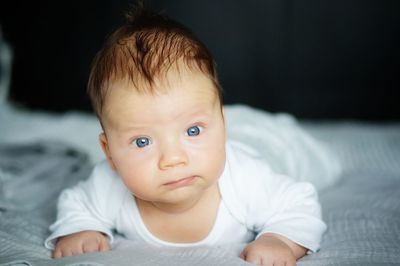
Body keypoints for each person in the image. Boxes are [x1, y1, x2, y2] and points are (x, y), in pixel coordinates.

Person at [44, 3, 327, 265]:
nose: (173, 159)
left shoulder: (248, 180)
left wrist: (279, 239)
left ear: (221, 126)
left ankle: (249, 125)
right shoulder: (108, 186)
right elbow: (76, 202)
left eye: (192, 131)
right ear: (110, 153)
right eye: (142, 141)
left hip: (271, 144)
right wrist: (80, 228)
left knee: (313, 159)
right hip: (223, 127)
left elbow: (298, 204)